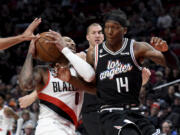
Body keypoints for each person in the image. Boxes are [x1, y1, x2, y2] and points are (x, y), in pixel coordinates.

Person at [50, 9, 180, 135]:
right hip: (109, 113)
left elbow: (174, 65)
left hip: (134, 111)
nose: (110, 32)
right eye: (107, 28)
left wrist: (166, 52)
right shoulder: (92, 55)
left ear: (124, 30)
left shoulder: (137, 48)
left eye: (114, 27)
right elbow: (94, 87)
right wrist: (69, 75)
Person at [18, 36, 95, 135]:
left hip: (69, 129)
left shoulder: (79, 71)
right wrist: (30, 54)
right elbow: (25, 84)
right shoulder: (44, 71)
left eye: (73, 44)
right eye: (67, 42)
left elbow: (91, 80)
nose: (71, 44)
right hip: (49, 127)